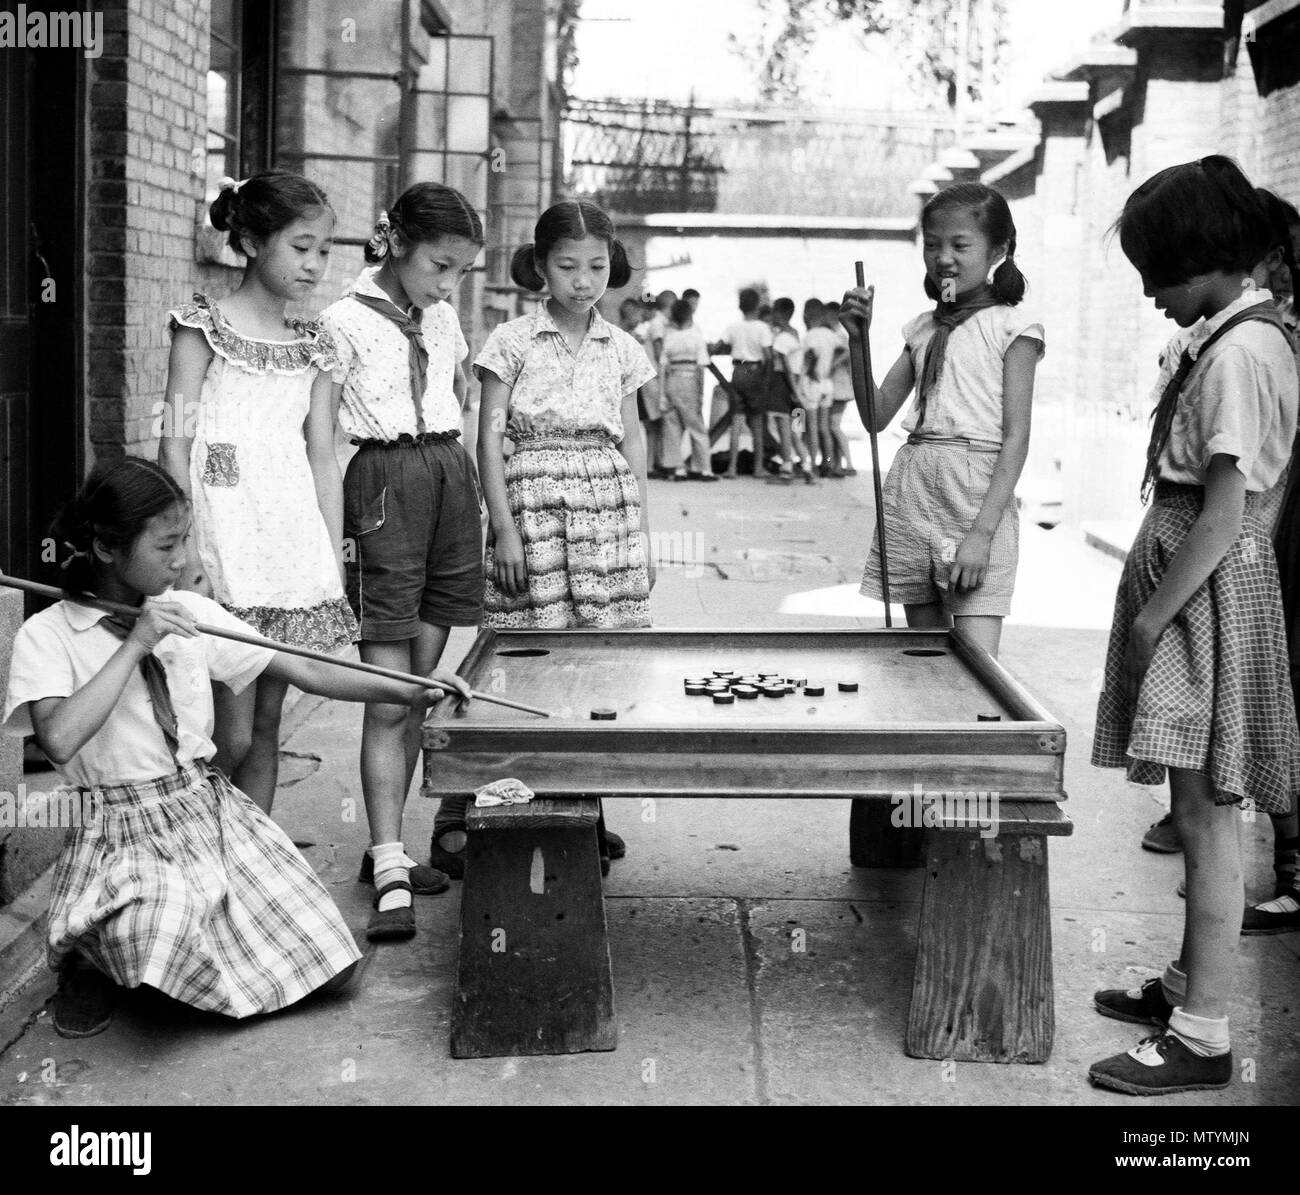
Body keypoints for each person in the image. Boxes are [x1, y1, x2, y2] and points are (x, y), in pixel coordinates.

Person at [0, 458, 471, 1037]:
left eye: (186, 541)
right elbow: (59, 737)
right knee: (166, 933)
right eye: (167, 545)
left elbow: (306, 669)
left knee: (331, 966)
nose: (183, 560)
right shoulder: (47, 635)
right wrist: (136, 643)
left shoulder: (194, 614)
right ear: (104, 548)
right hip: (120, 830)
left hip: (206, 812)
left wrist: (416, 686)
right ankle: (88, 956)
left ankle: (151, 960)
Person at [1089, 156, 1299, 1095]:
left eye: (1158, 274)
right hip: (1191, 590)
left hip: (1200, 597)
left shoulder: (1245, 354)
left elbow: (1221, 514)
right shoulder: (1229, 337)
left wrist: (1153, 617)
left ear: (1208, 260)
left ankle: (1205, 1033)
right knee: (1189, 806)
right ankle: (1185, 984)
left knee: (1210, 818)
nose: (1149, 293)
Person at [433, 199, 653, 876]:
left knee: (593, 664)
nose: (582, 280)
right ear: (541, 267)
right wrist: (500, 528)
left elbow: (634, 433)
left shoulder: (625, 348)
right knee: (528, 660)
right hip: (530, 506)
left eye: (595, 266)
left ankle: (580, 806)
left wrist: (638, 527)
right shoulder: (511, 342)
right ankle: (469, 809)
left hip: (603, 509)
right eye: (566, 265)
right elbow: (487, 436)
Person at [158, 170, 358, 818]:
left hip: (289, 545)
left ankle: (254, 871)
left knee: (267, 726)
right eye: (300, 247)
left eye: (323, 250)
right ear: (249, 240)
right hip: (223, 540)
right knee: (228, 732)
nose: (314, 264)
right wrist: (185, 550)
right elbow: (175, 443)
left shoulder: (318, 345)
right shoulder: (203, 326)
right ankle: (201, 859)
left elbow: (324, 457)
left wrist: (329, 559)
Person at [318, 182, 484, 939]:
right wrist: (330, 536)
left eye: (460, 272)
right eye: (440, 265)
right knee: (387, 694)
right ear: (397, 244)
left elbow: (457, 399)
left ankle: (393, 844)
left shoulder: (443, 319)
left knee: (421, 687)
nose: (447, 285)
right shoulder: (339, 323)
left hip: (448, 478)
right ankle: (387, 860)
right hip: (384, 483)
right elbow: (318, 438)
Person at [840, 181, 1042, 658]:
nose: (944, 258)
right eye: (933, 245)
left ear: (999, 249)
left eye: (960, 245)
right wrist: (856, 340)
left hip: (974, 495)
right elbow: (875, 416)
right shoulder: (922, 328)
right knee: (924, 659)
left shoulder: (1014, 329)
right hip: (913, 486)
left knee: (977, 666)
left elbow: (1016, 438)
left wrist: (981, 536)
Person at [717, 287, 774, 478]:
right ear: (758, 305)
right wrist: (766, 380)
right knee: (757, 422)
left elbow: (720, 345)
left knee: (736, 421)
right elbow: (768, 356)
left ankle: (731, 468)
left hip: (737, 371)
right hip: (754, 371)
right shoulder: (762, 328)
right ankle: (758, 467)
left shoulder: (733, 327)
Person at [659, 297, 717, 480]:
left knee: (672, 425)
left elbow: (663, 367)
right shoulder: (696, 336)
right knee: (697, 425)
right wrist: (701, 394)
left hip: (672, 380)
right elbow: (701, 367)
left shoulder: (670, 337)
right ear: (690, 314)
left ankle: (678, 467)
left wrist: (662, 395)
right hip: (690, 379)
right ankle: (704, 468)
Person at [768, 297, 817, 484]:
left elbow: (786, 367)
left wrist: (794, 390)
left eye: (774, 312)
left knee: (783, 426)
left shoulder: (781, 339)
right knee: (796, 429)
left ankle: (786, 468)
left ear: (780, 314)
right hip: (797, 383)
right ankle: (806, 466)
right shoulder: (796, 334)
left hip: (783, 384)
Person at [803, 301, 842, 476]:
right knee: (824, 428)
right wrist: (832, 365)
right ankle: (828, 462)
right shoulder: (830, 334)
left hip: (813, 384)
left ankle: (811, 463)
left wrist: (812, 370)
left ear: (807, 316)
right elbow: (845, 350)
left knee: (811, 427)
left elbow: (808, 359)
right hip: (827, 383)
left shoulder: (809, 336)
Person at [824, 300, 858, 476]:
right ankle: (837, 463)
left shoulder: (840, 334)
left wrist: (830, 365)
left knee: (834, 426)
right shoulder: (834, 334)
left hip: (840, 386)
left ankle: (849, 463)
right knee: (832, 426)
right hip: (835, 386)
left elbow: (846, 352)